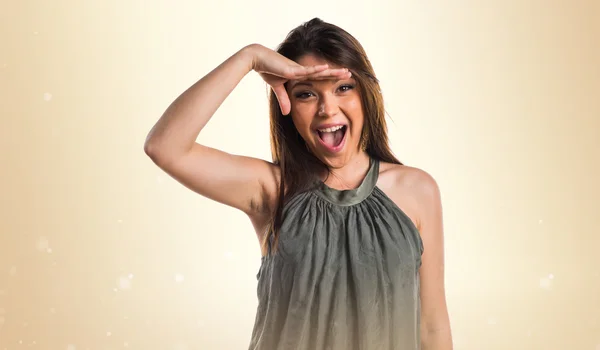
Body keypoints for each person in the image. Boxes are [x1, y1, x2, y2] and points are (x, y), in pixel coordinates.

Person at [144, 18, 452, 350]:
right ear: (287, 108)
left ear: (367, 95)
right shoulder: (272, 189)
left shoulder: (417, 191)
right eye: (306, 94)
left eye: (343, 88)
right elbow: (165, 147)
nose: (327, 109)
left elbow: (432, 326)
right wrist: (249, 58)